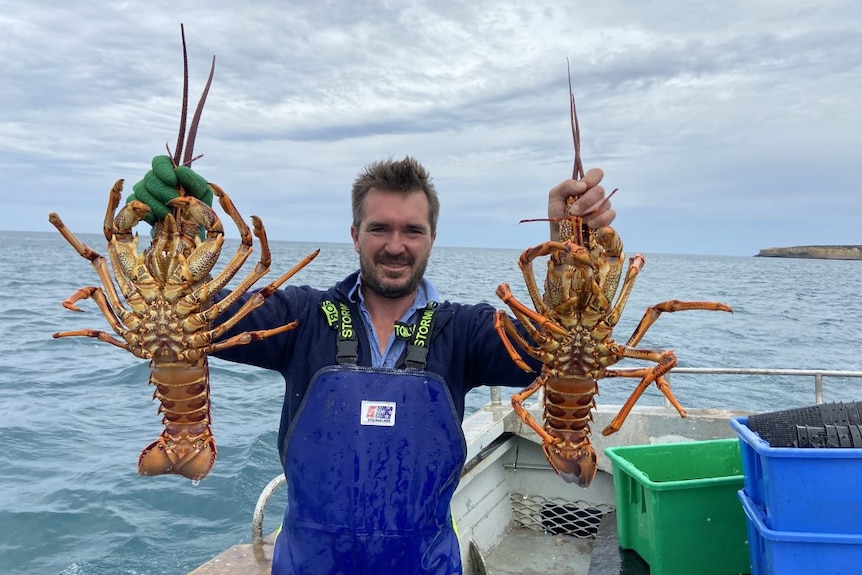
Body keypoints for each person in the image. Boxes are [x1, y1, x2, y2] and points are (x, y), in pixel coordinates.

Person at [132, 156, 614, 575]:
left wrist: (562, 248)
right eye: (379, 228)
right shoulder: (302, 317)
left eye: (412, 230)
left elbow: (554, 350)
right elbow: (198, 318)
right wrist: (177, 237)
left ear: (431, 238)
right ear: (355, 235)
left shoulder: (464, 331)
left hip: (425, 565)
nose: (395, 245)